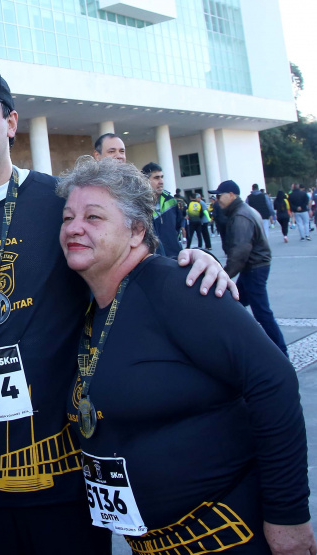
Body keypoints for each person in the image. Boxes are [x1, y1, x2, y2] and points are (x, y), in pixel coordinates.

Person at [0, 60, 234, 554]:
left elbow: (134, 271)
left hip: (73, 472)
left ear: (10, 122)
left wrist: (194, 261)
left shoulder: (64, 202)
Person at [57, 156, 314, 555]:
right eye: (68, 217)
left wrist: (288, 516)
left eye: (93, 217)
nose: (74, 227)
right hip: (154, 545)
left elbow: (273, 380)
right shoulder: (94, 308)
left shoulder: (177, 285)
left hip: (225, 537)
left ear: (137, 230)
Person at [214, 180, 288, 356]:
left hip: (254, 267)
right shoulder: (244, 211)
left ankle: (281, 352)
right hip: (253, 267)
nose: (217, 199)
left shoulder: (240, 216)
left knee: (261, 312)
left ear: (231, 195)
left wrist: (224, 275)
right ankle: (242, 347)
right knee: (236, 305)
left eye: (219, 196)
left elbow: (240, 251)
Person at [141, 162, 181, 258]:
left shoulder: (171, 201)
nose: (161, 181)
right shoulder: (139, 205)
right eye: (156, 178)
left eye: (162, 177)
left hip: (175, 257)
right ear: (145, 181)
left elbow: (177, 228)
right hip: (153, 261)